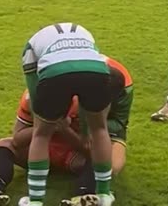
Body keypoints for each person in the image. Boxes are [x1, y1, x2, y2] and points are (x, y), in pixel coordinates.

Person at [20, 22, 114, 205]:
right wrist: (85, 132)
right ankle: (104, 194)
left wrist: (42, 116)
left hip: (55, 73)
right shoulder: (84, 32)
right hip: (97, 70)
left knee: (40, 134)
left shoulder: (31, 45)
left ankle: (35, 200)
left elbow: (33, 88)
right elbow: (91, 63)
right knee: (100, 129)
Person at [0, 90, 84, 206]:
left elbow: (92, 146)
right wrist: (44, 126)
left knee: (96, 157)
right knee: (5, 144)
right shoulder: (31, 97)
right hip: (37, 152)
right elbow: (17, 139)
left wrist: (66, 130)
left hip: (71, 154)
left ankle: (84, 196)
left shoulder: (85, 99)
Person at [61, 56, 134, 206]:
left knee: (112, 165)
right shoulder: (80, 82)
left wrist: (100, 129)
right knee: (89, 147)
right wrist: (85, 133)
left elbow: (120, 122)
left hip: (108, 126)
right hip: (75, 119)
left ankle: (82, 196)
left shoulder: (125, 88)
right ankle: (83, 194)